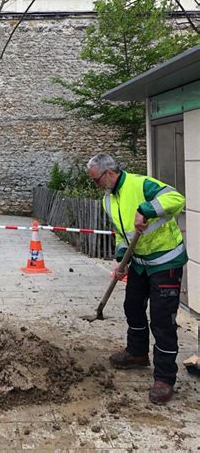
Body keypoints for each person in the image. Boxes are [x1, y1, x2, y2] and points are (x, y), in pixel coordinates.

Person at [86, 153, 187, 404]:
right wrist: (122, 259)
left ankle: (164, 378)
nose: (96, 185)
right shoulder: (108, 200)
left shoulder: (142, 185)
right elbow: (122, 235)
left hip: (165, 260)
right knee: (132, 306)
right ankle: (137, 353)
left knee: (162, 320)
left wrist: (146, 209)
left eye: (96, 180)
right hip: (140, 263)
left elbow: (177, 198)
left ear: (109, 173)